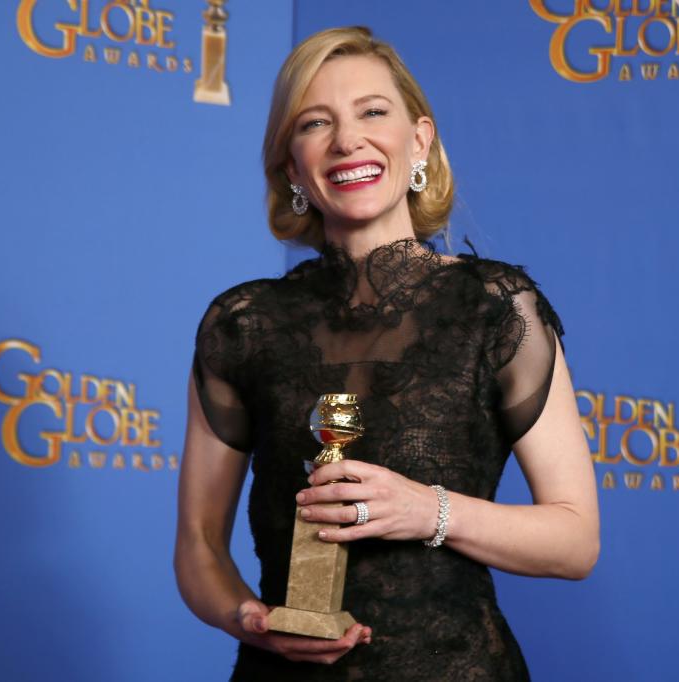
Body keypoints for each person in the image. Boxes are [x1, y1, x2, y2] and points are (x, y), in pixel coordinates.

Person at [174, 25, 599, 681]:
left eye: (373, 112)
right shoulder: (242, 323)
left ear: (420, 140)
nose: (348, 141)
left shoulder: (494, 306)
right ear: (292, 164)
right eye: (316, 123)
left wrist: (429, 511)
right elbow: (200, 544)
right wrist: (248, 620)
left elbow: (575, 541)